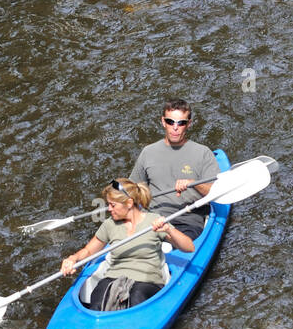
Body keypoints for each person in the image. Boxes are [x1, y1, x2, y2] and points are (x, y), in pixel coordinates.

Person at [60, 178, 194, 311]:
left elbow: (189, 247)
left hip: (146, 281)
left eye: (113, 205)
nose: (109, 209)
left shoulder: (154, 221)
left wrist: (169, 229)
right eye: (108, 204)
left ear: (129, 203)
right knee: (99, 299)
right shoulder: (109, 225)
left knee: (136, 297)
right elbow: (88, 251)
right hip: (113, 278)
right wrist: (73, 259)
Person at [129, 100, 221, 240]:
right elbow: (132, 190)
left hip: (188, 220)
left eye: (181, 123)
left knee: (173, 244)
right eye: (170, 122)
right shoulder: (148, 152)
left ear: (188, 124)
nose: (175, 127)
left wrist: (193, 183)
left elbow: (215, 193)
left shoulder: (203, 153)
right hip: (153, 219)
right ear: (163, 122)